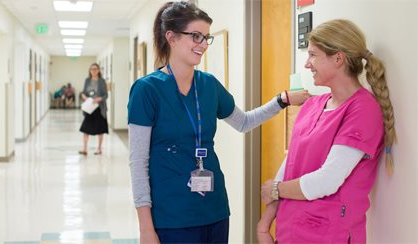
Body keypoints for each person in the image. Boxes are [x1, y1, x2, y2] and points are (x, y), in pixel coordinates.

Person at [127, 2, 310, 243]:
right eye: (195, 36)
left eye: (206, 37)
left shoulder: (208, 84)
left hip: (214, 209)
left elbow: (243, 122)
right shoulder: (146, 90)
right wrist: (145, 229)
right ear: (171, 37)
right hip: (171, 215)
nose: (203, 44)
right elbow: (138, 162)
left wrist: (282, 100)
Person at [257, 19, 396, 243]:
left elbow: (327, 181)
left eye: (313, 55)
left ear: (338, 58)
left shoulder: (363, 110)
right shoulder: (313, 104)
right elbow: (289, 163)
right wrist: (264, 224)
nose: (306, 64)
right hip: (289, 229)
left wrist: (275, 189)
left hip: (330, 234)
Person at [79, 63, 108, 155]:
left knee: (100, 129)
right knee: (85, 128)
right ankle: (84, 149)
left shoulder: (102, 81)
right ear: (90, 71)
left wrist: (98, 99)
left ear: (99, 70)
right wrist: (85, 98)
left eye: (95, 69)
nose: (93, 71)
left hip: (99, 108)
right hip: (89, 107)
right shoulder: (87, 80)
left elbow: (105, 95)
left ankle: (99, 148)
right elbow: (83, 92)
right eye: (92, 69)